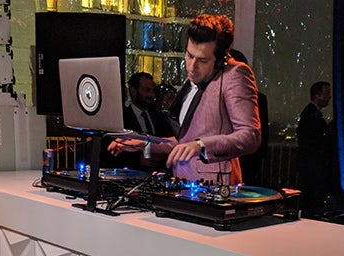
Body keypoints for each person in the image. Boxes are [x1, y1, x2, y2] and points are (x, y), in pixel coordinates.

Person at [108, 14, 261, 185]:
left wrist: (201, 145)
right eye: (189, 55)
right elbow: (185, 142)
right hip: (183, 183)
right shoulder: (193, 79)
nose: (192, 66)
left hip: (215, 188)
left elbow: (250, 136)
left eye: (202, 60)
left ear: (219, 60)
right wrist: (145, 144)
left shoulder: (235, 74)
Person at [102, 72, 171, 171]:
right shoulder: (121, 119)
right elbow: (111, 151)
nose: (152, 95)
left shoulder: (159, 117)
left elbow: (166, 142)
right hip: (132, 173)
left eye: (153, 91)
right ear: (133, 91)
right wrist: (138, 160)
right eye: (147, 90)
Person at [229, 48, 269, 186]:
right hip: (245, 157)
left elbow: (261, 132)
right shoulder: (259, 97)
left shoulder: (258, 98)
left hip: (245, 158)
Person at [296, 81, 336, 213]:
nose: (329, 97)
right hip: (314, 165)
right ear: (317, 95)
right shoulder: (312, 116)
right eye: (327, 93)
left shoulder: (310, 113)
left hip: (310, 164)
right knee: (313, 198)